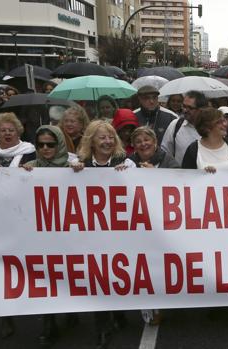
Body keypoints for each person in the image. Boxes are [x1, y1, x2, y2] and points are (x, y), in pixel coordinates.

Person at [70, 120, 134, 348]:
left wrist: (128, 175)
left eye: (110, 137)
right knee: (97, 278)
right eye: (101, 138)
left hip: (120, 234)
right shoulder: (81, 165)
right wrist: (74, 173)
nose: (107, 142)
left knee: (117, 276)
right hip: (92, 235)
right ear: (91, 141)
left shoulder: (125, 162)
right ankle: (102, 327)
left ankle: (118, 313)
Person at [21, 125, 79, 345]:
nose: (45, 148)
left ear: (60, 144)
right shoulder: (29, 167)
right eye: (41, 144)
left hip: (68, 234)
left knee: (68, 275)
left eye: (51, 144)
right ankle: (49, 323)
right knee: (46, 278)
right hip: (41, 236)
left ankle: (71, 312)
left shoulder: (72, 167)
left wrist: (81, 172)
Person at [182, 107, 228, 171]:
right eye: (219, 122)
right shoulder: (193, 150)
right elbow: (186, 177)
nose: (225, 124)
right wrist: (202, 174)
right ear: (206, 127)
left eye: (224, 120)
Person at [161, 90, 206, 164]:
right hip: (179, 174)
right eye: (184, 106)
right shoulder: (175, 125)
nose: (185, 110)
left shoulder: (212, 128)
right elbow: (165, 152)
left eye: (190, 108)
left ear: (201, 109)